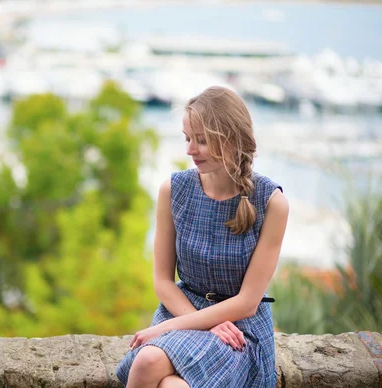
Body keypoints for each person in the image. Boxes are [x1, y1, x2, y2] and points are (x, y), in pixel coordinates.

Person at [115, 86, 289, 388]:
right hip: (184, 308)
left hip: (238, 332)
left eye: (202, 141)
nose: (190, 150)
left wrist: (168, 329)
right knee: (151, 366)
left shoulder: (271, 202)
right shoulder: (174, 190)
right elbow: (163, 282)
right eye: (187, 138)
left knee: (162, 375)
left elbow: (248, 303)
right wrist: (202, 321)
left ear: (232, 140)